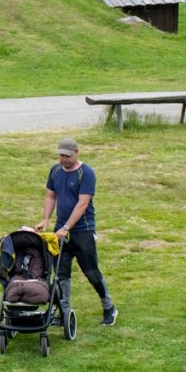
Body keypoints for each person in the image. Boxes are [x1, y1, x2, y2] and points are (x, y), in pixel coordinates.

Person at [36, 137, 118, 326]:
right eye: (61, 155)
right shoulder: (55, 171)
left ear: (77, 153)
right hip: (60, 232)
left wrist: (67, 227)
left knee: (90, 271)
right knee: (60, 274)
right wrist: (46, 219)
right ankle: (64, 313)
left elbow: (83, 204)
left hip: (83, 230)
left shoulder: (86, 173)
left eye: (67, 156)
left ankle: (109, 307)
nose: (63, 159)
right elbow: (50, 195)